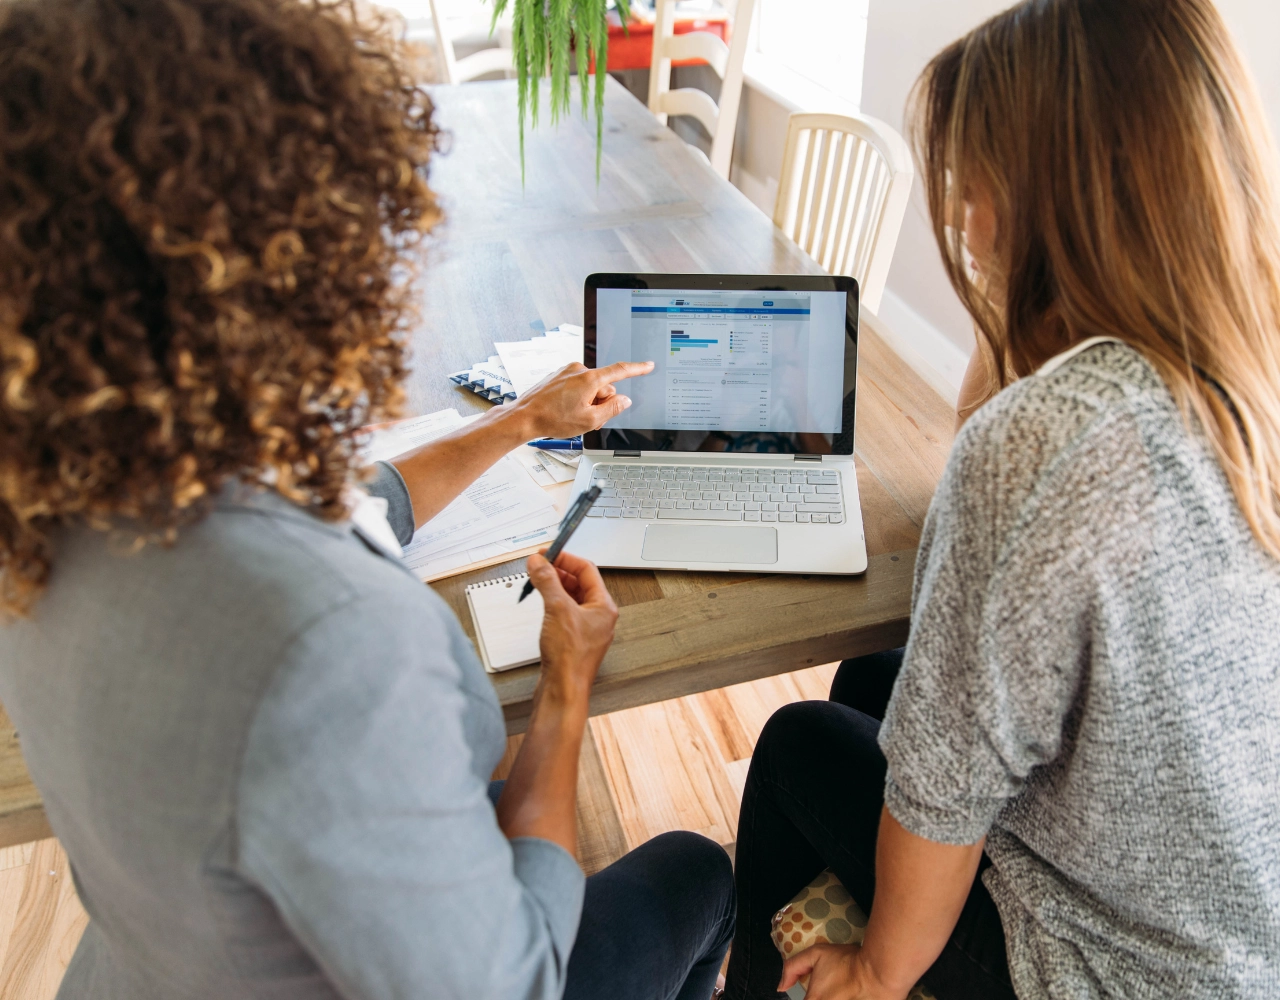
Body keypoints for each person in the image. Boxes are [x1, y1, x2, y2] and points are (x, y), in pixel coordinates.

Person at [0, 2, 735, 999]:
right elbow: (512, 983)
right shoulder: (331, 638)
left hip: (158, 961)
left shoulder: (66, 491)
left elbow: (359, 501)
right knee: (697, 870)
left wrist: (521, 420)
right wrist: (564, 690)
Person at [725, 1, 1280, 998]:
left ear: (1048, 194)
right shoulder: (1241, 356)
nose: (957, 220)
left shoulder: (1043, 441)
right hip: (1243, 930)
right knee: (871, 676)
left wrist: (881, 966)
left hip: (1110, 967)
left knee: (794, 744)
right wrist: (1020, 304)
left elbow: (941, 786)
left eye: (972, 183)